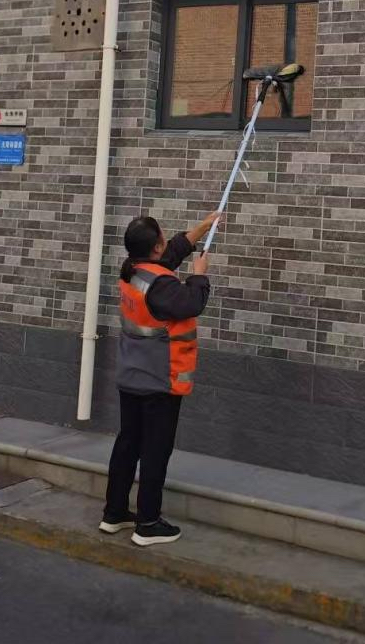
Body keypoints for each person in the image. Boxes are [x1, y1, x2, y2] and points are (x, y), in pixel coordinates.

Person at [100, 211, 220, 546]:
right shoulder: (162, 286)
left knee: (128, 444)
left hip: (132, 375)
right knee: (155, 450)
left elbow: (168, 258)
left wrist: (202, 228)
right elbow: (191, 303)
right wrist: (199, 274)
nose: (167, 243)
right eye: (163, 238)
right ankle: (148, 523)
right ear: (155, 247)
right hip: (160, 379)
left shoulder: (133, 271)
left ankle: (114, 513)